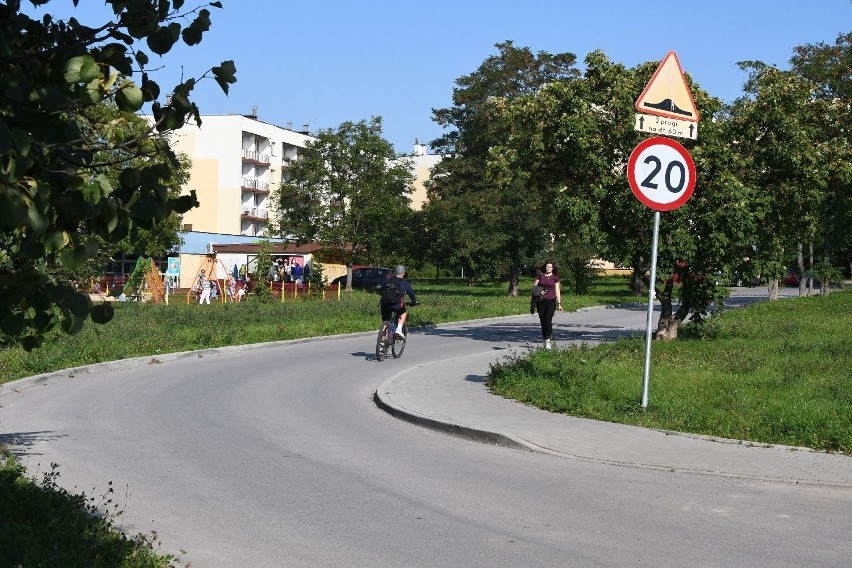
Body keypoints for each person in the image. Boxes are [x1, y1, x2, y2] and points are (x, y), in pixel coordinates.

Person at [377, 265, 417, 339]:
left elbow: (381, 289)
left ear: (395, 273)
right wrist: (414, 302)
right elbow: (411, 294)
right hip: (396, 305)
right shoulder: (406, 283)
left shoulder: (388, 280)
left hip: (385, 304)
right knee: (403, 312)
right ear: (404, 273)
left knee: (385, 321)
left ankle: (381, 344)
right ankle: (399, 329)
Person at [533, 259, 562, 349]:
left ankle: (548, 340)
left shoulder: (555, 277)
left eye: (550, 267)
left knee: (547, 319)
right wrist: (540, 291)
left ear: (553, 268)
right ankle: (545, 339)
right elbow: (534, 287)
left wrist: (559, 303)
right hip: (541, 300)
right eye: (547, 267)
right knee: (542, 320)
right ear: (545, 267)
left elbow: (557, 290)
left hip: (551, 300)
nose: (548, 268)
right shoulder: (540, 275)